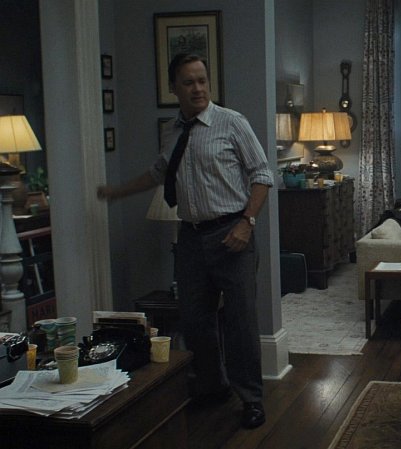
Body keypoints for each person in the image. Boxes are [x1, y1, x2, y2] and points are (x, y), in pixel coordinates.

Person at [97, 53, 273, 429]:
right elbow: (158, 172)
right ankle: (213, 386)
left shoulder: (232, 123)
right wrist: (117, 192)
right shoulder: (172, 131)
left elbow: (262, 174)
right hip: (191, 237)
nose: (198, 88)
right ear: (174, 87)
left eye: (202, 80)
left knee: (241, 322)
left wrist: (247, 222)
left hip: (232, 233)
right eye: (189, 82)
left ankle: (251, 399)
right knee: (195, 321)